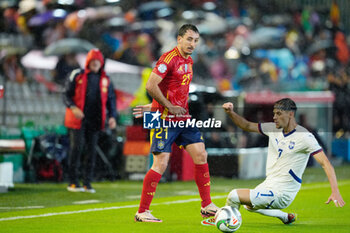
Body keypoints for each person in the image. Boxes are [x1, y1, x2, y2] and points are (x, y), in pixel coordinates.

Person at [133, 24, 219, 222]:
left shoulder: (189, 61)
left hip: (182, 117)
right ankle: (142, 211)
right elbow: (150, 85)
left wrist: (156, 104)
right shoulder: (168, 59)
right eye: (189, 39)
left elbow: (172, 89)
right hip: (162, 118)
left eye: (196, 40)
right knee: (161, 163)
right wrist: (164, 106)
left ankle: (206, 205)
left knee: (200, 153)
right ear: (179, 39)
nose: (192, 44)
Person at [211, 98, 345, 225]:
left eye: (279, 113)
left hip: (282, 193)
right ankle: (285, 217)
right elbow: (246, 125)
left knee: (234, 195)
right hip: (268, 185)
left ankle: (225, 220)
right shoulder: (273, 129)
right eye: (274, 113)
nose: (274, 117)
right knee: (248, 206)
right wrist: (230, 113)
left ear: (291, 114)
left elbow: (325, 163)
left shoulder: (305, 137)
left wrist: (335, 191)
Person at [63, 49, 117, 193]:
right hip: (78, 119)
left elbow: (111, 100)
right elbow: (66, 95)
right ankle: (73, 181)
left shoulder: (106, 79)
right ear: (88, 62)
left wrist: (112, 116)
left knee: (91, 151)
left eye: (98, 61)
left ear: (101, 63)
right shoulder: (77, 75)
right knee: (77, 148)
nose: (95, 63)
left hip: (95, 120)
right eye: (93, 61)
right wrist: (73, 108)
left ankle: (87, 182)